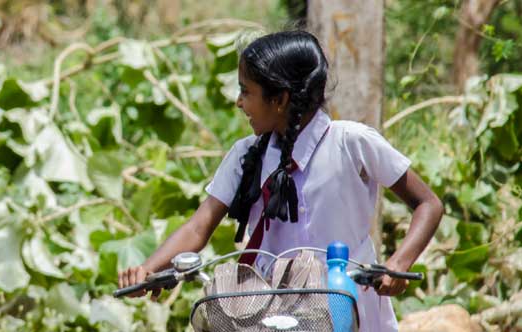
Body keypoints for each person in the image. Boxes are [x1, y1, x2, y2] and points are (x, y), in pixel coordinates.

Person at [117, 30, 443, 332]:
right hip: (271, 308)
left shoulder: (352, 143)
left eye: (246, 91)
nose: (238, 102)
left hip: (348, 303)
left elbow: (428, 204)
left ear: (280, 99)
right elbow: (199, 227)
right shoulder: (247, 154)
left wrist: (398, 263)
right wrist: (148, 270)